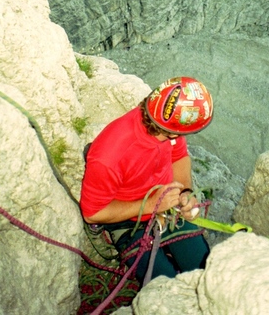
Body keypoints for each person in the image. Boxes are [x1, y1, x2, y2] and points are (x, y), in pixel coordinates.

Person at [80, 76, 213, 283]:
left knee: (204, 270)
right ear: (169, 131)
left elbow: (179, 157)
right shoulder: (110, 155)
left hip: (167, 209)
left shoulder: (168, 127)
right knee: (163, 287)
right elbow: (93, 213)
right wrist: (151, 205)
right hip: (127, 223)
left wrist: (186, 192)